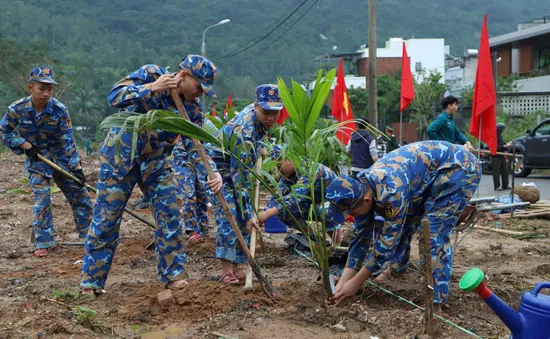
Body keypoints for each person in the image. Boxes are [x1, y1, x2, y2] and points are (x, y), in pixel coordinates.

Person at [81, 55, 222, 295]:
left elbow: (195, 146)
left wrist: (212, 172)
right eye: (199, 87)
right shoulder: (152, 74)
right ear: (184, 76)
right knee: (107, 220)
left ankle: (174, 275)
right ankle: (92, 282)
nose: (200, 94)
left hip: (154, 162)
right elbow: (114, 96)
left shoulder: (192, 109)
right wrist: (150, 88)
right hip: (120, 159)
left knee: (170, 215)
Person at [325, 141, 481, 314]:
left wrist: (355, 283)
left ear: (367, 201)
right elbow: (361, 238)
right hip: (426, 178)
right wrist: (343, 283)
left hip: (459, 169)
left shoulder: (392, 194)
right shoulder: (363, 188)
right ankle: (396, 268)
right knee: (405, 222)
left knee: (433, 233)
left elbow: (385, 244)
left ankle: (435, 305)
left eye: (351, 212)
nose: (352, 217)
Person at [0, 66, 93, 257]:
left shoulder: (59, 110)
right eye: (41, 88)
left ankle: (90, 236)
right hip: (38, 161)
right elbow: (4, 132)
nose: (45, 93)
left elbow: (69, 140)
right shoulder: (17, 109)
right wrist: (24, 144)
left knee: (80, 197)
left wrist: (76, 168)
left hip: (61, 160)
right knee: (42, 200)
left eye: (49, 89)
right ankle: (44, 242)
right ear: (30, 87)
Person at [207, 84, 281, 284]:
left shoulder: (256, 121)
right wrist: (249, 214)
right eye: (266, 112)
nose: (270, 118)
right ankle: (226, 271)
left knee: (242, 216)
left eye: (275, 113)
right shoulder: (244, 133)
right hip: (217, 169)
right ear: (256, 106)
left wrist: (261, 146)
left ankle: (237, 267)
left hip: (234, 167)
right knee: (229, 214)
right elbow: (240, 181)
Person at [258, 144, 343, 244]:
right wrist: (262, 216)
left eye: (279, 166)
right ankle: (314, 240)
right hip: (312, 205)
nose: (279, 171)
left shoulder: (309, 169)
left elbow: (296, 197)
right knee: (284, 212)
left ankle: (338, 244)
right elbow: (278, 197)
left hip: (334, 206)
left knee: (324, 210)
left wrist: (268, 213)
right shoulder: (288, 176)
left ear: (289, 159)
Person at [492, 123, 511, 191]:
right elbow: (494, 147)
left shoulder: (500, 136)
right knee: (496, 172)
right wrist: (503, 146)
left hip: (501, 155)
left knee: (505, 171)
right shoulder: (493, 136)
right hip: (495, 156)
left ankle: (505, 185)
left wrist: (506, 145)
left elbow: (502, 144)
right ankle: (497, 186)